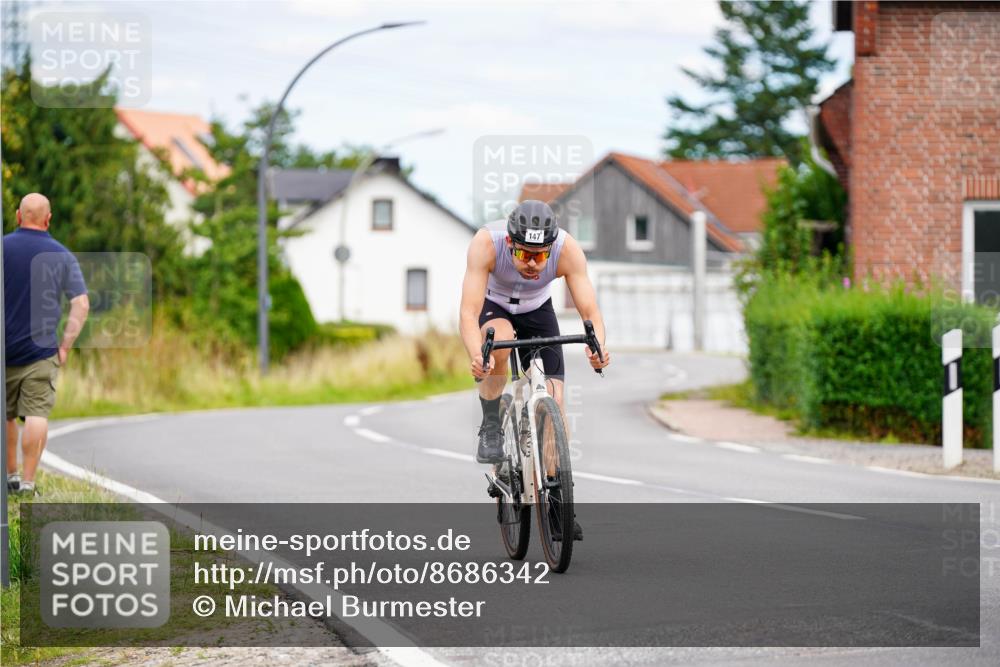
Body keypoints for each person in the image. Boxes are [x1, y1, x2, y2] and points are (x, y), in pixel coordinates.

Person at [459, 200, 611, 539]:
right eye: (525, 254)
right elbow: (468, 314)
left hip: (538, 310)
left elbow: (591, 313)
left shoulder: (567, 250)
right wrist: (477, 355)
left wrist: (597, 346)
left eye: (540, 256)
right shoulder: (486, 243)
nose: (532, 264)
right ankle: (492, 423)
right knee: (502, 339)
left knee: (554, 404)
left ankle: (557, 503)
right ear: (510, 244)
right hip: (493, 307)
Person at [4, 193, 89, 496]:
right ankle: (28, 483)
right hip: (40, 352)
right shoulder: (61, 255)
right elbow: (80, 303)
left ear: (18, 216)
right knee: (36, 414)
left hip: (4, 349)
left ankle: (9, 477)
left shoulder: (3, 247)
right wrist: (65, 345)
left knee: (7, 414)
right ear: (48, 218)